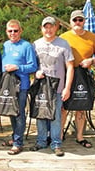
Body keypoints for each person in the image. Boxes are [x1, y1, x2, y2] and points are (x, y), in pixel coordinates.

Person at [60, 10, 95, 149]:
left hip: (84, 75)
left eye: (80, 20)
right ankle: (60, 135)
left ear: (84, 21)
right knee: (63, 107)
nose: (78, 23)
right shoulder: (63, 37)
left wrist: (91, 60)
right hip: (67, 74)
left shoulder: (92, 37)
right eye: (75, 20)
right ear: (71, 22)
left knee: (81, 107)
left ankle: (80, 136)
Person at [31, 17, 74, 157]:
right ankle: (41, 141)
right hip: (41, 87)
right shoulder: (35, 45)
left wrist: (67, 88)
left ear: (56, 28)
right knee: (41, 114)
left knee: (56, 116)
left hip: (58, 87)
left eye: (51, 27)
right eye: (45, 27)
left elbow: (70, 66)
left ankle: (56, 143)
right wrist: (35, 72)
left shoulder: (63, 44)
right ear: (41, 28)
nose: (48, 30)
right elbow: (31, 65)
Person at [1, 19, 38, 155]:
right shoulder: (5, 45)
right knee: (11, 111)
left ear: (20, 31)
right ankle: (15, 137)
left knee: (19, 113)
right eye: (10, 31)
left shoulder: (26, 46)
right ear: (6, 32)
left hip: (21, 85)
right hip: (8, 85)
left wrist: (17, 67)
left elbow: (33, 66)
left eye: (15, 31)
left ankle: (18, 142)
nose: (13, 33)